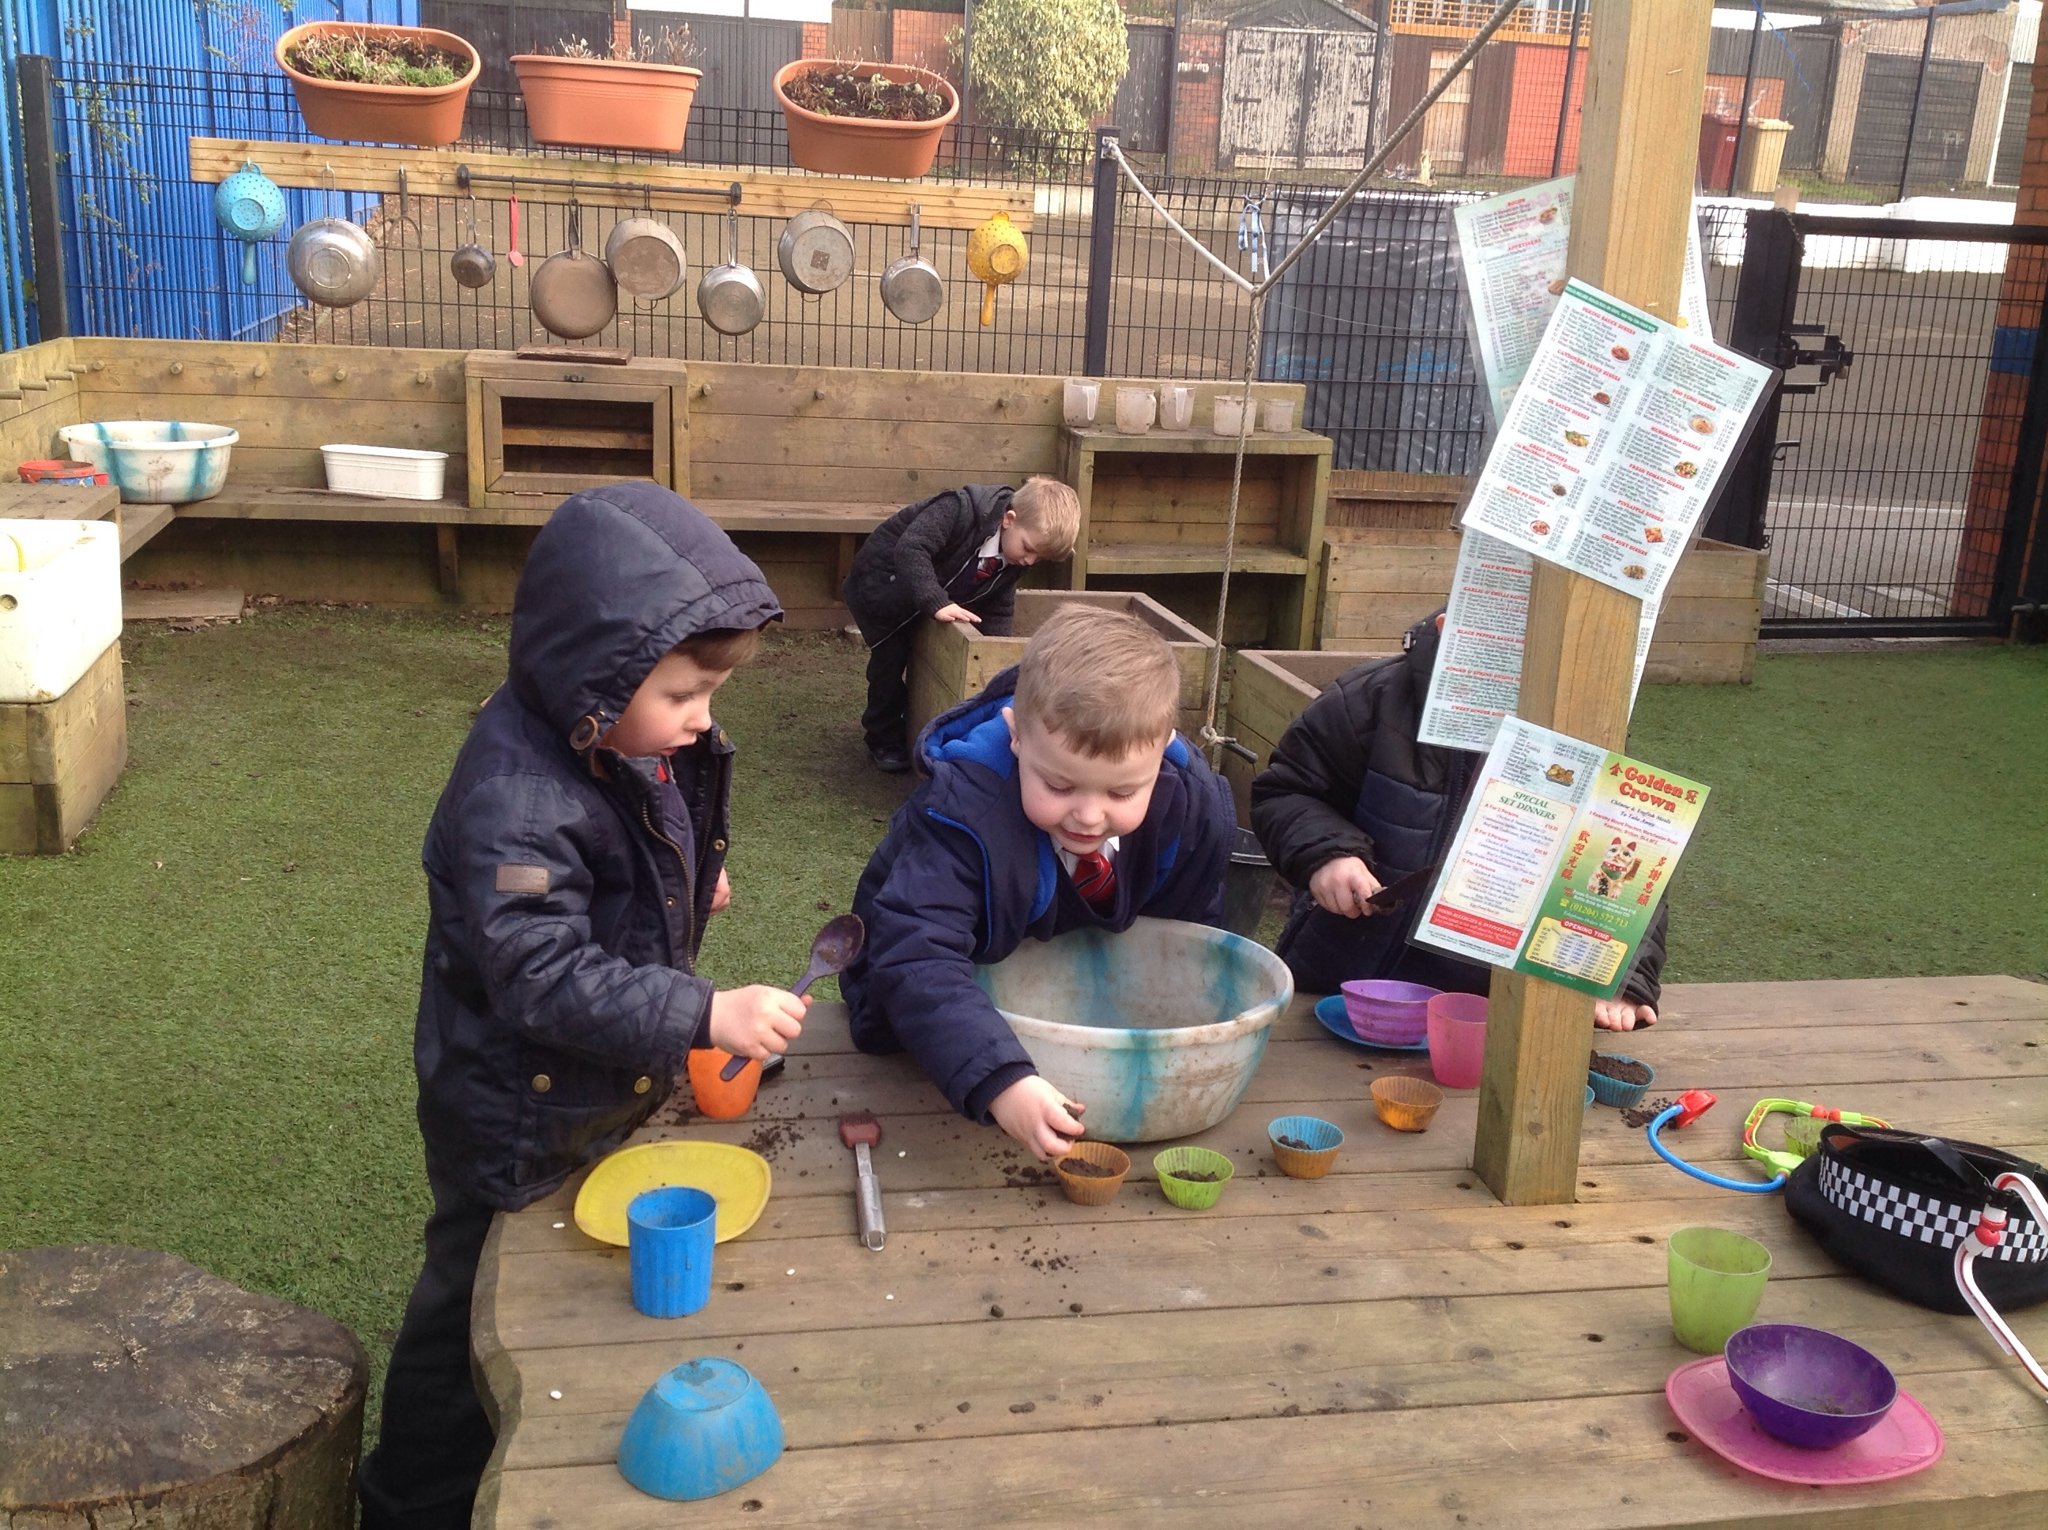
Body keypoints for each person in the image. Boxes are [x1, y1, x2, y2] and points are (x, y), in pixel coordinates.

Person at [358, 484, 810, 1530]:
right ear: (593, 679)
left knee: (560, 1277)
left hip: (589, 1084)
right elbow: (538, 972)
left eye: (713, 691)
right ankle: (411, 1499)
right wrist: (705, 1014)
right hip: (512, 1104)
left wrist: (686, 883)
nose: (704, 718)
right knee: (465, 1305)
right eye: (686, 692)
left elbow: (636, 843)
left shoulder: (617, 739)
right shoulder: (515, 795)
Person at [841, 605, 1236, 1159]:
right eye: (1059, 784)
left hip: (1086, 1011)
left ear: (1163, 748)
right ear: (1016, 737)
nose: (1089, 816)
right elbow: (913, 953)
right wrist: (1000, 1079)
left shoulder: (1187, 807)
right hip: (934, 1023)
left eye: (1121, 793)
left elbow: (1190, 932)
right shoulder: (960, 815)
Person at [1250, 610, 1665, 1032]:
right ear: (1451, 627)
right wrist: (1328, 854)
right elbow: (1287, 790)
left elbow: (1632, 863)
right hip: (1342, 977)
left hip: (1494, 1009)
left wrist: (1624, 975)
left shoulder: (1584, 733)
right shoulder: (1372, 698)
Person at [842, 475, 1082, 774]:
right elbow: (911, 550)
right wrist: (936, 602)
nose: (1031, 561)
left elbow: (999, 605)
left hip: (924, 594)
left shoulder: (1012, 555)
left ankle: (911, 723)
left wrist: (998, 658)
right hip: (882, 584)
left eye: (1040, 557)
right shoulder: (958, 509)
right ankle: (882, 736)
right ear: (1009, 519)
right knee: (889, 661)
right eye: (1029, 548)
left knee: (922, 655)